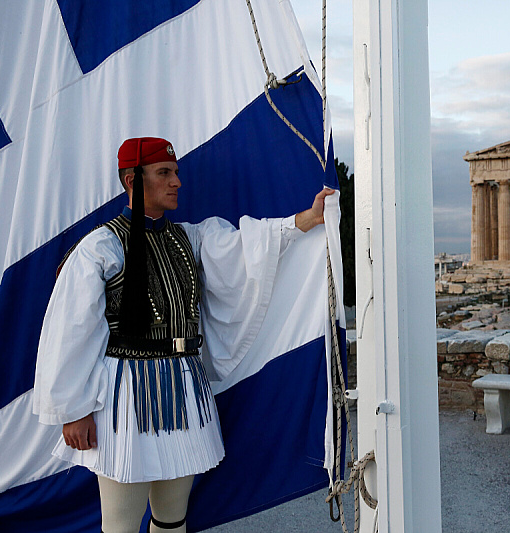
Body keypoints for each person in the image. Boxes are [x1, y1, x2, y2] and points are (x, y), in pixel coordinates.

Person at [33, 137, 333, 533]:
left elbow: (247, 247)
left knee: (173, 520)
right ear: (132, 180)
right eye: (164, 173)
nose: (176, 181)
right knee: (120, 525)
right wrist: (74, 409)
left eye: (175, 172)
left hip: (183, 387)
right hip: (126, 395)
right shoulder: (100, 247)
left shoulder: (189, 238)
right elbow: (71, 329)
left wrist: (307, 220)